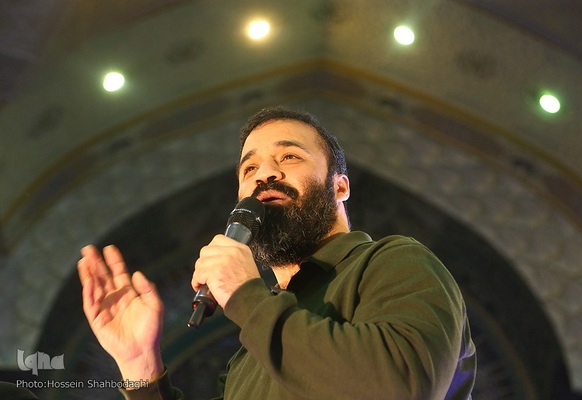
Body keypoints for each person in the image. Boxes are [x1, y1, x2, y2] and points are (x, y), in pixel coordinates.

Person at [78, 106, 477, 399]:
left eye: (289, 157)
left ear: (339, 186)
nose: (265, 174)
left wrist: (245, 296)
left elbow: (399, 387)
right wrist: (140, 366)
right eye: (248, 169)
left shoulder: (395, 262)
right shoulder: (251, 355)